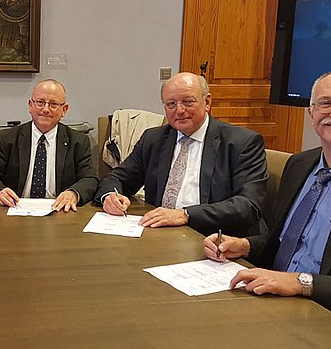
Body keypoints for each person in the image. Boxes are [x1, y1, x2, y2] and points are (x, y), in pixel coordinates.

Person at [204, 69, 331, 333]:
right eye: (326, 103)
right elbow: (288, 242)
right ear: (311, 113)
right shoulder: (299, 165)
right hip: (269, 307)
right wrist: (245, 246)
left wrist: (303, 283)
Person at [95, 72, 268, 237]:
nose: (179, 110)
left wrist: (186, 215)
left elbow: (248, 205)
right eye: (171, 104)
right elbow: (117, 178)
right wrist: (110, 196)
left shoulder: (241, 143)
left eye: (188, 101)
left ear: (207, 102)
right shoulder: (153, 139)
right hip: (159, 235)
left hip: (214, 238)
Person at [0, 79, 98, 211]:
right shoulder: (7, 139)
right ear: (30, 105)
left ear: (64, 110)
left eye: (53, 104)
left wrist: (74, 193)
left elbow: (90, 180)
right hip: (15, 211)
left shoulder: (78, 142)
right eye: (40, 102)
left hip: (60, 212)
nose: (45, 109)